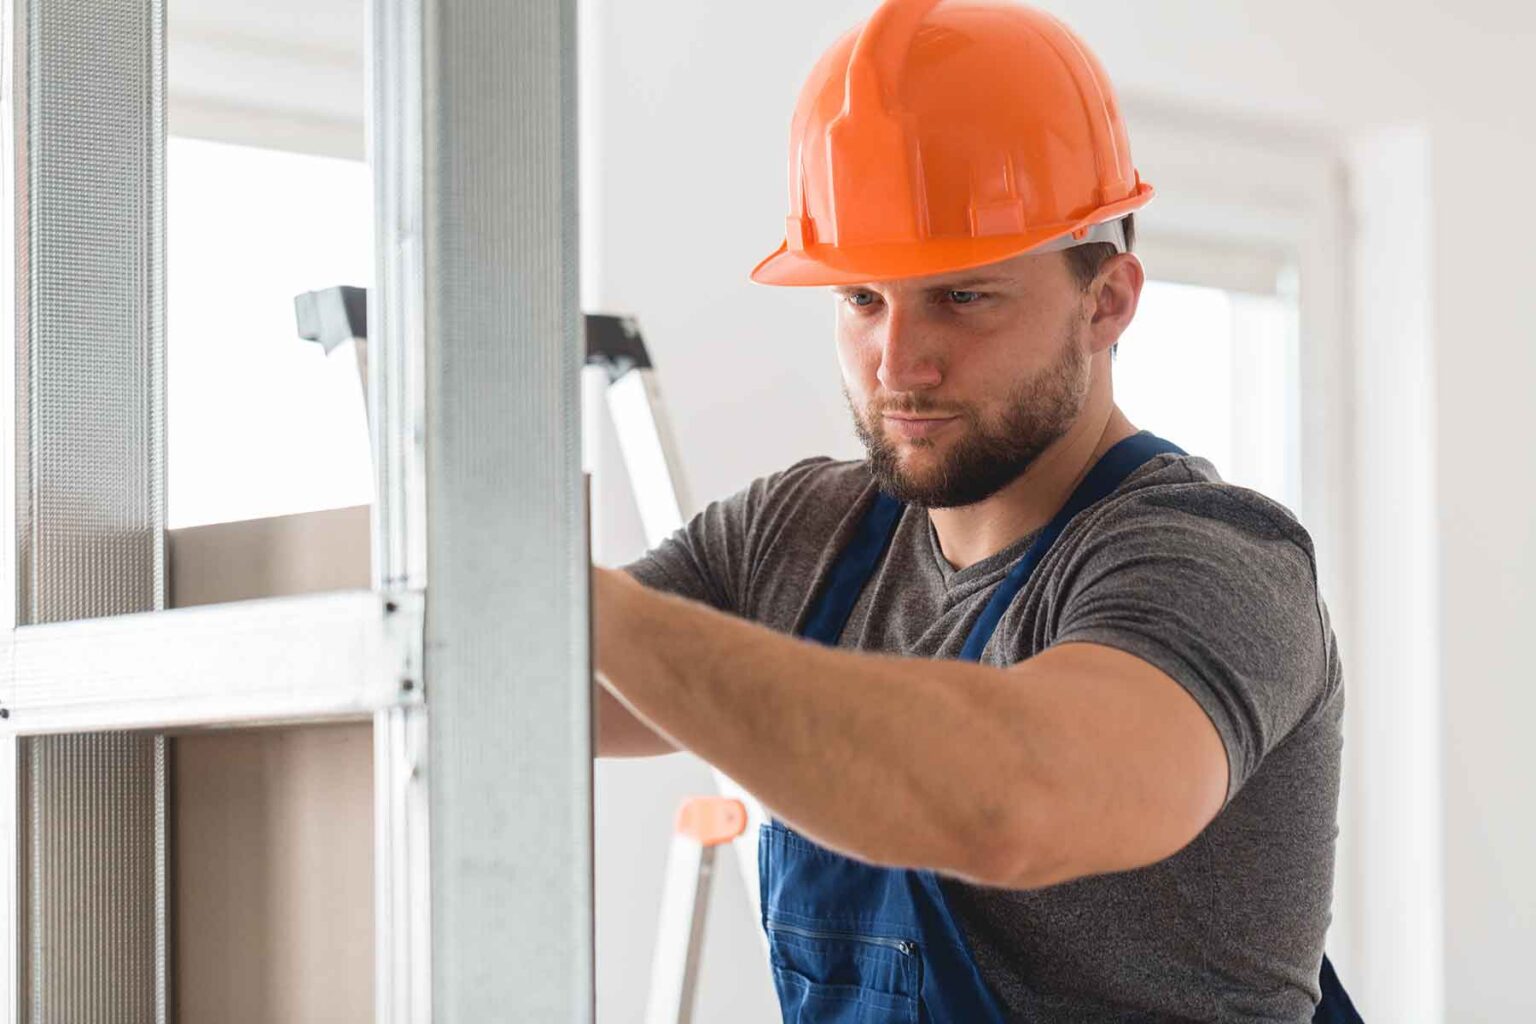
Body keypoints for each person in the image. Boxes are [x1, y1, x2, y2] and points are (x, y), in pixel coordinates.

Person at [591, 0, 1360, 1020]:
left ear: (1109, 300)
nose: (897, 364)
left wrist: (589, 605)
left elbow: (1011, 802)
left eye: (962, 296)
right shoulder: (795, 540)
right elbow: (526, 702)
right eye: (861, 299)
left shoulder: (1212, 561)